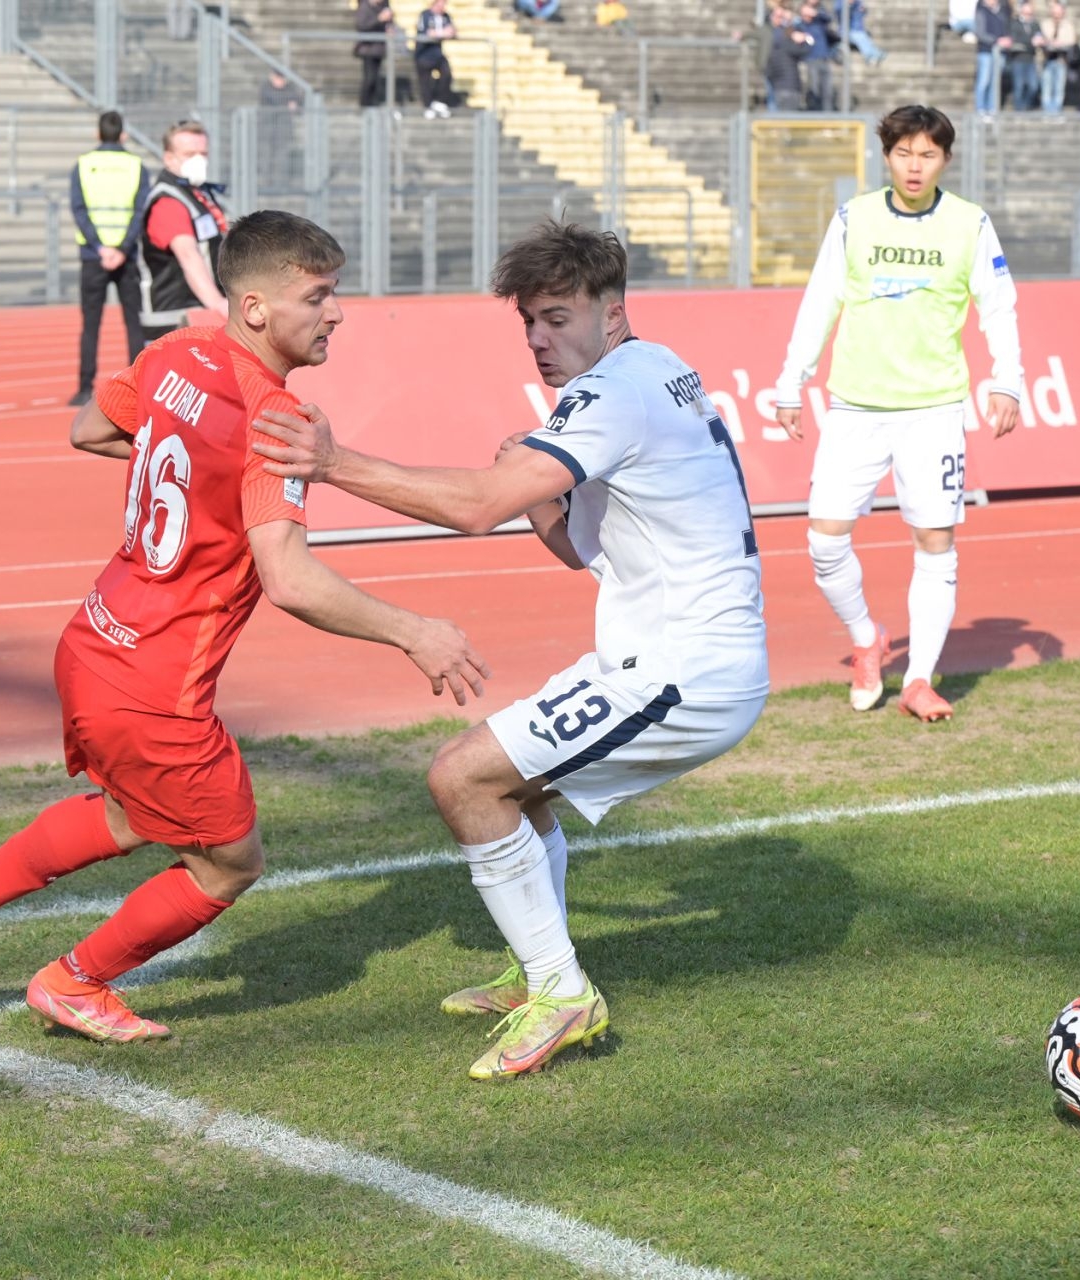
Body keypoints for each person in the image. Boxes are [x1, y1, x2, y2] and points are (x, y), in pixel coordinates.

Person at [0, 211, 490, 1041]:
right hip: (156, 689)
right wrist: (414, 631)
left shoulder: (175, 351)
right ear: (255, 308)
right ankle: (74, 983)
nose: (337, 313)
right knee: (228, 862)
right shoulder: (274, 416)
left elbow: (91, 429)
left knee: (134, 816)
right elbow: (290, 580)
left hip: (93, 642)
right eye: (317, 296)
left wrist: (190, 461)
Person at [251, 222, 769, 1080]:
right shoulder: (652, 369)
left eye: (558, 317)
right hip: (671, 659)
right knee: (515, 783)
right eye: (529, 320)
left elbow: (476, 507)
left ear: (614, 314)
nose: (538, 339)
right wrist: (540, 505)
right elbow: (577, 548)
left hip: (687, 670)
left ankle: (563, 994)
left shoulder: (616, 395)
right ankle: (541, 971)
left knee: (463, 777)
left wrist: (334, 463)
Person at [773, 104, 1024, 722]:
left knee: (934, 541)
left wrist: (1007, 380)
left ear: (945, 159)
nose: (916, 166)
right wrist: (790, 380)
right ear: (886, 157)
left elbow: (999, 307)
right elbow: (819, 302)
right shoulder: (854, 218)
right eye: (905, 153)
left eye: (929, 154)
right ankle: (867, 639)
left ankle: (917, 680)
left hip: (934, 411)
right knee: (823, 540)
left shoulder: (970, 223)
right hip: (855, 407)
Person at [69, 111, 151, 407]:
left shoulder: (83, 165)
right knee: (134, 323)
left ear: (97, 133)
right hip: (126, 256)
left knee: (91, 325)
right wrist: (121, 248)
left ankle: (83, 388)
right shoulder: (136, 166)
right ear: (123, 135)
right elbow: (140, 212)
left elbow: (79, 210)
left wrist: (100, 247)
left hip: (94, 257)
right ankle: (140, 386)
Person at [135, 121, 229, 344]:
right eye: (190, 154)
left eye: (203, 153)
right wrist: (218, 303)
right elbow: (188, 255)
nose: (199, 160)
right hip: (175, 321)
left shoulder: (197, 194)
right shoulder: (168, 202)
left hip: (198, 315)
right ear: (169, 158)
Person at [415, 0, 458, 118]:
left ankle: (439, 101)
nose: (443, 7)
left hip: (437, 54)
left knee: (447, 74)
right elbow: (427, 33)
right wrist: (442, 33)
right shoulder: (425, 15)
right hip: (423, 54)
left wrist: (444, 33)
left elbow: (452, 30)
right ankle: (428, 106)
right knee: (425, 82)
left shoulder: (446, 16)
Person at [1037, 0, 1080, 115]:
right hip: (1047, 59)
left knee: (1059, 87)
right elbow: (1041, 38)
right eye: (1055, 13)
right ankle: (1047, 111)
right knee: (1047, 86)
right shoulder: (1045, 24)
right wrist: (1050, 42)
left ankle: (1056, 111)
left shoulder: (1068, 25)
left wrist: (1061, 43)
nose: (1057, 15)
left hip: (1061, 60)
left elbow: (1072, 41)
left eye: (1059, 13)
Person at [796, 0, 840, 110]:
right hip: (812, 60)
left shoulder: (819, 22)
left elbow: (829, 18)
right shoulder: (800, 25)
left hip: (824, 58)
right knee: (814, 90)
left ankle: (828, 116)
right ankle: (814, 113)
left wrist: (816, 13)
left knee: (827, 91)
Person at [356, 0, 396, 108]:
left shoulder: (384, 6)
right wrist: (379, 19)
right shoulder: (365, 7)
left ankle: (372, 104)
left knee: (375, 79)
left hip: (379, 48)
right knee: (369, 78)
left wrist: (390, 27)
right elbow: (362, 26)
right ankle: (365, 104)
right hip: (368, 49)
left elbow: (389, 23)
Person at [973, 0, 1010, 116]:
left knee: (996, 82)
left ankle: (992, 108)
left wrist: (1006, 40)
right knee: (984, 81)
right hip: (986, 51)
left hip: (1000, 52)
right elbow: (980, 32)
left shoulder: (1003, 11)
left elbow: (1007, 29)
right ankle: (981, 109)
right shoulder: (981, 11)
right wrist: (996, 40)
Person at [1006, 0, 1043, 110]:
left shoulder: (1035, 24)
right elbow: (1015, 39)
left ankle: (1026, 106)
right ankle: (1019, 109)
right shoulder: (1014, 22)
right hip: (1018, 59)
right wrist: (1031, 42)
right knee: (1019, 86)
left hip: (1031, 59)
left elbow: (1039, 36)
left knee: (1034, 86)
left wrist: (1038, 40)